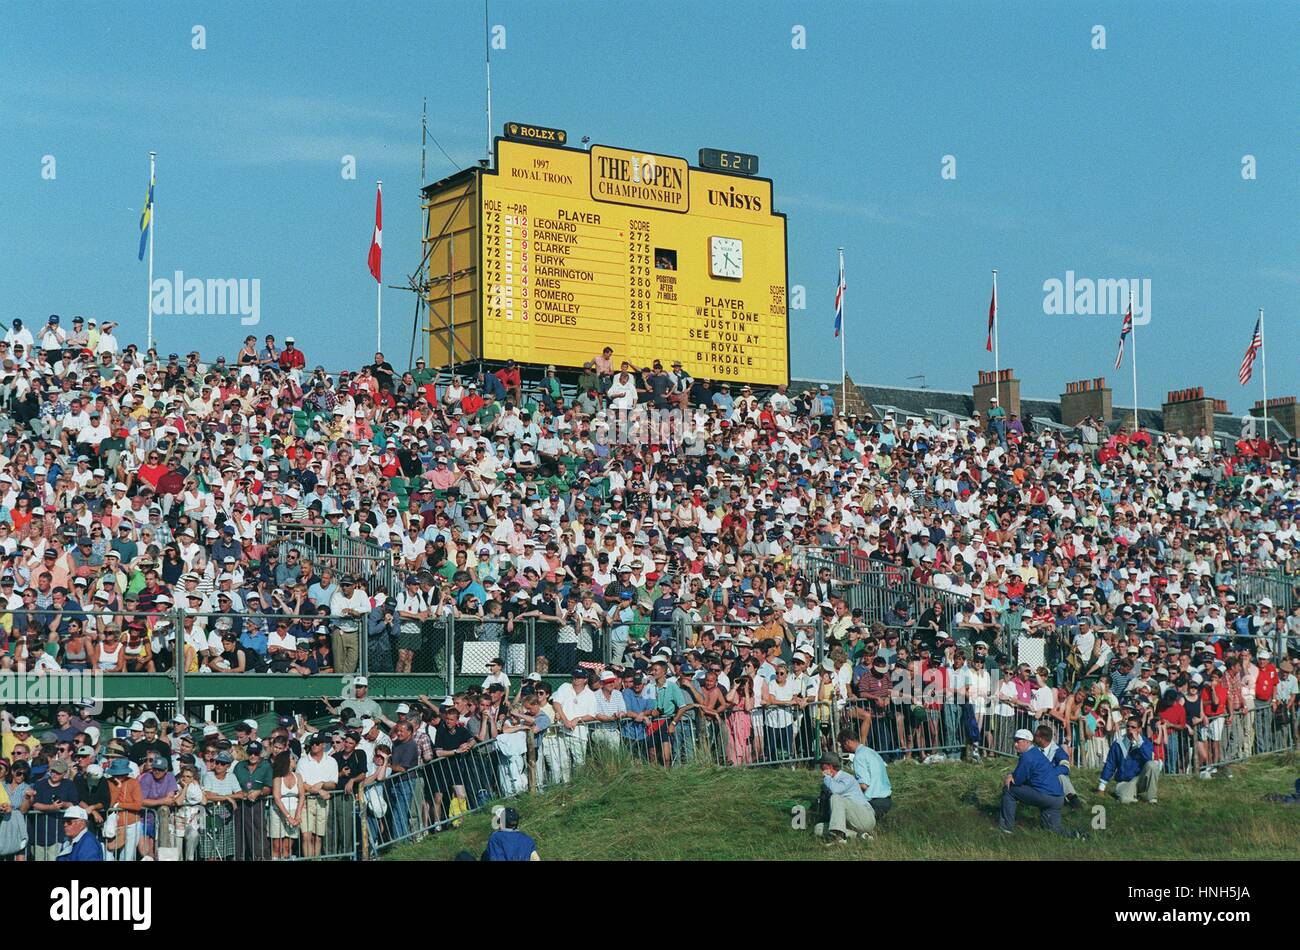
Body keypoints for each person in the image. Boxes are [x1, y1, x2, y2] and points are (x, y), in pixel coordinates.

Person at [999, 728, 1073, 837]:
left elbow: (1017, 781)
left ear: (1027, 742)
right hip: (1057, 798)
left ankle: (1006, 829)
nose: (1015, 744)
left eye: (1018, 741)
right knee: (1053, 832)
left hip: (1046, 797)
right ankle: (1079, 835)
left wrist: (1010, 775)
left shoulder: (1027, 756)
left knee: (1009, 789)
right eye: (1015, 741)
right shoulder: (1036, 753)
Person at [1097, 716, 1160, 804]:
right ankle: (1133, 795)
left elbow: (1149, 759)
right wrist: (1102, 786)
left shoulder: (1145, 743)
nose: (1129, 729)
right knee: (1125, 800)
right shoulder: (1118, 743)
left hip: (1140, 780)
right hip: (1125, 781)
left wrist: (1138, 743)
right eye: (1128, 726)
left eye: (1133, 727)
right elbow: (1110, 764)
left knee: (1152, 765)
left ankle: (1151, 798)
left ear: (1139, 729)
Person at [817, 752, 875, 845]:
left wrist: (827, 777)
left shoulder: (846, 778)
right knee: (819, 828)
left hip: (864, 817)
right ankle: (859, 836)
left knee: (835, 797)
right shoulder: (831, 782)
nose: (820, 769)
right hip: (850, 820)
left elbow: (835, 790)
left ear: (829, 766)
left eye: (822, 766)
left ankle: (837, 837)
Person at [840, 732, 892, 819]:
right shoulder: (871, 751)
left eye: (842, 745)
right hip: (887, 799)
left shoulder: (859, 756)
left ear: (847, 742)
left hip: (874, 802)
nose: (842, 748)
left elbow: (864, 785)